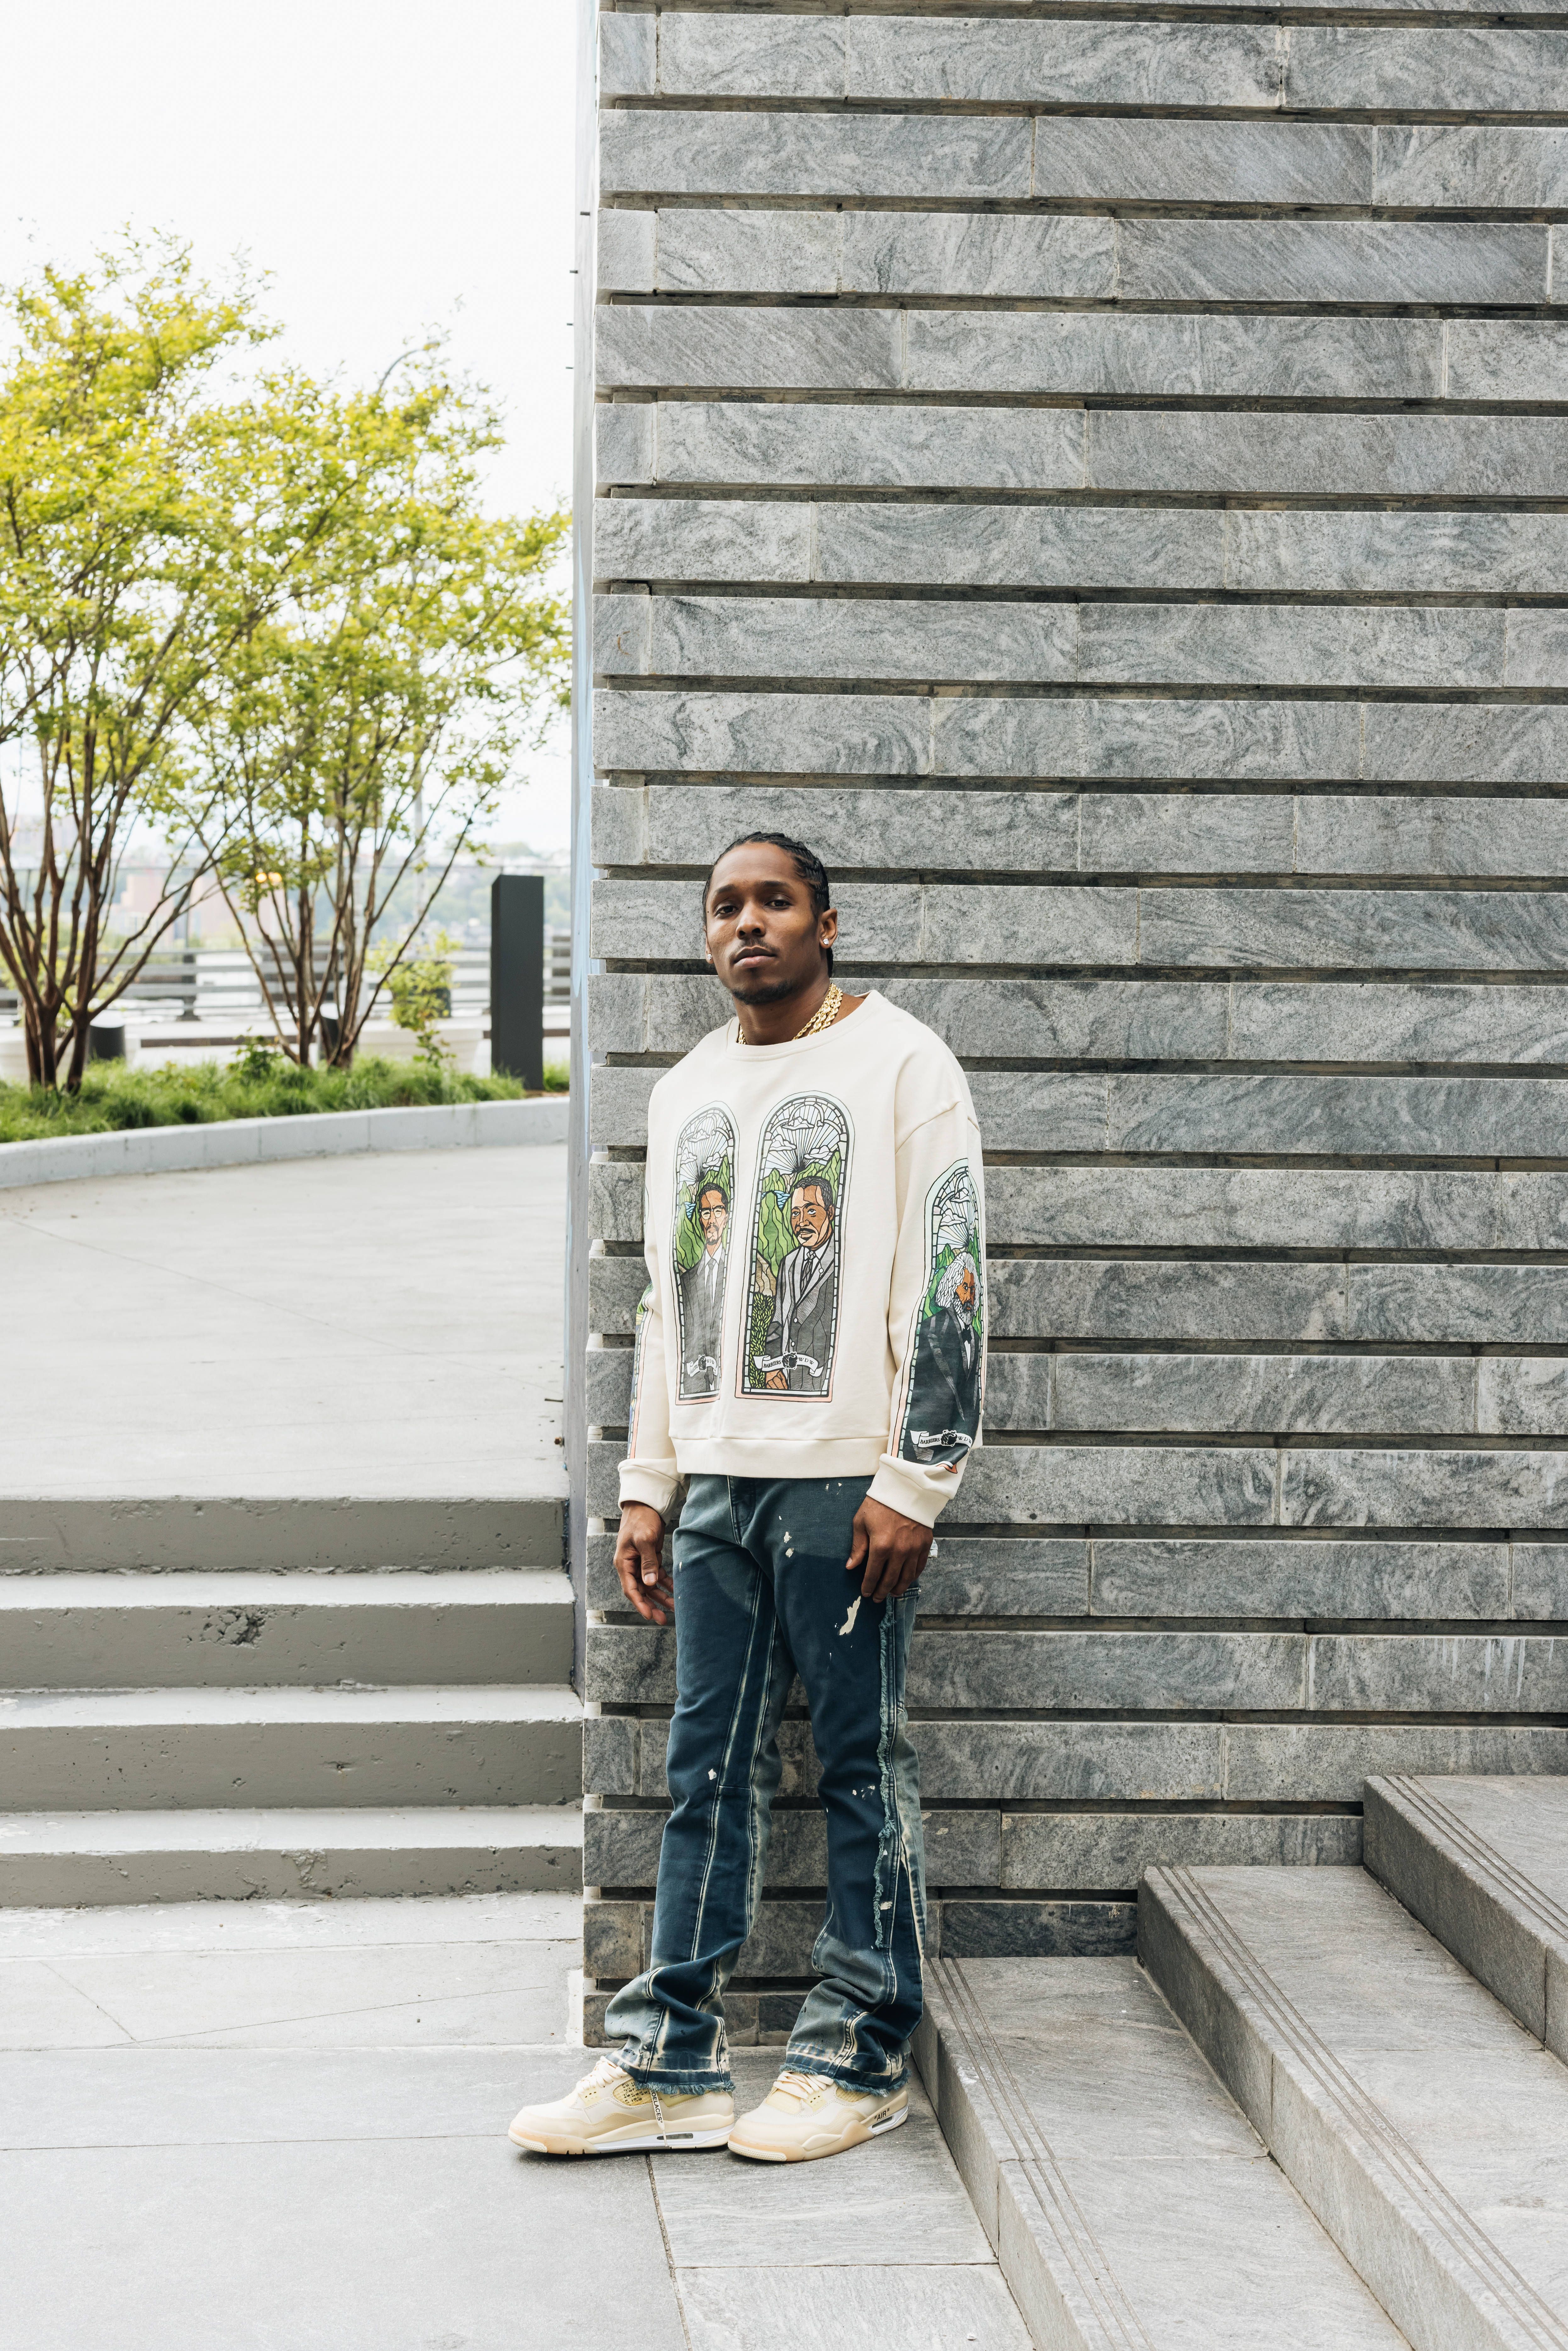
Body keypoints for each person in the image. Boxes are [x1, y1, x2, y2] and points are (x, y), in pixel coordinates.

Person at [509, 831, 986, 2166]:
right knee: (702, 1769)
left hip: (848, 1488)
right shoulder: (688, 1091)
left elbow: (948, 1275)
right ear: (706, 936)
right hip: (715, 1486)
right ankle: (668, 2057)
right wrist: (647, 1485)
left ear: (827, 922)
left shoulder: (904, 1063)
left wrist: (917, 1475)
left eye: (773, 901)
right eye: (724, 906)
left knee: (853, 1766)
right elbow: (672, 1301)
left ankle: (859, 2048)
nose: (747, 924)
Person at [760, 1176, 837, 1392]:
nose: (802, 1221)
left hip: (821, 1387)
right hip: (786, 1385)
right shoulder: (789, 1262)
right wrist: (772, 1367)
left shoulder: (843, 1261)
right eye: (796, 1213)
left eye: (811, 1211)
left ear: (830, 1213)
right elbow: (778, 1321)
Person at [677, 1178, 729, 1397]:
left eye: (718, 1211)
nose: (712, 1220)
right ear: (700, 1219)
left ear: (726, 1217)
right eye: (706, 1213)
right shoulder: (688, 1281)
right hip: (695, 1387)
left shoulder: (738, 1273)